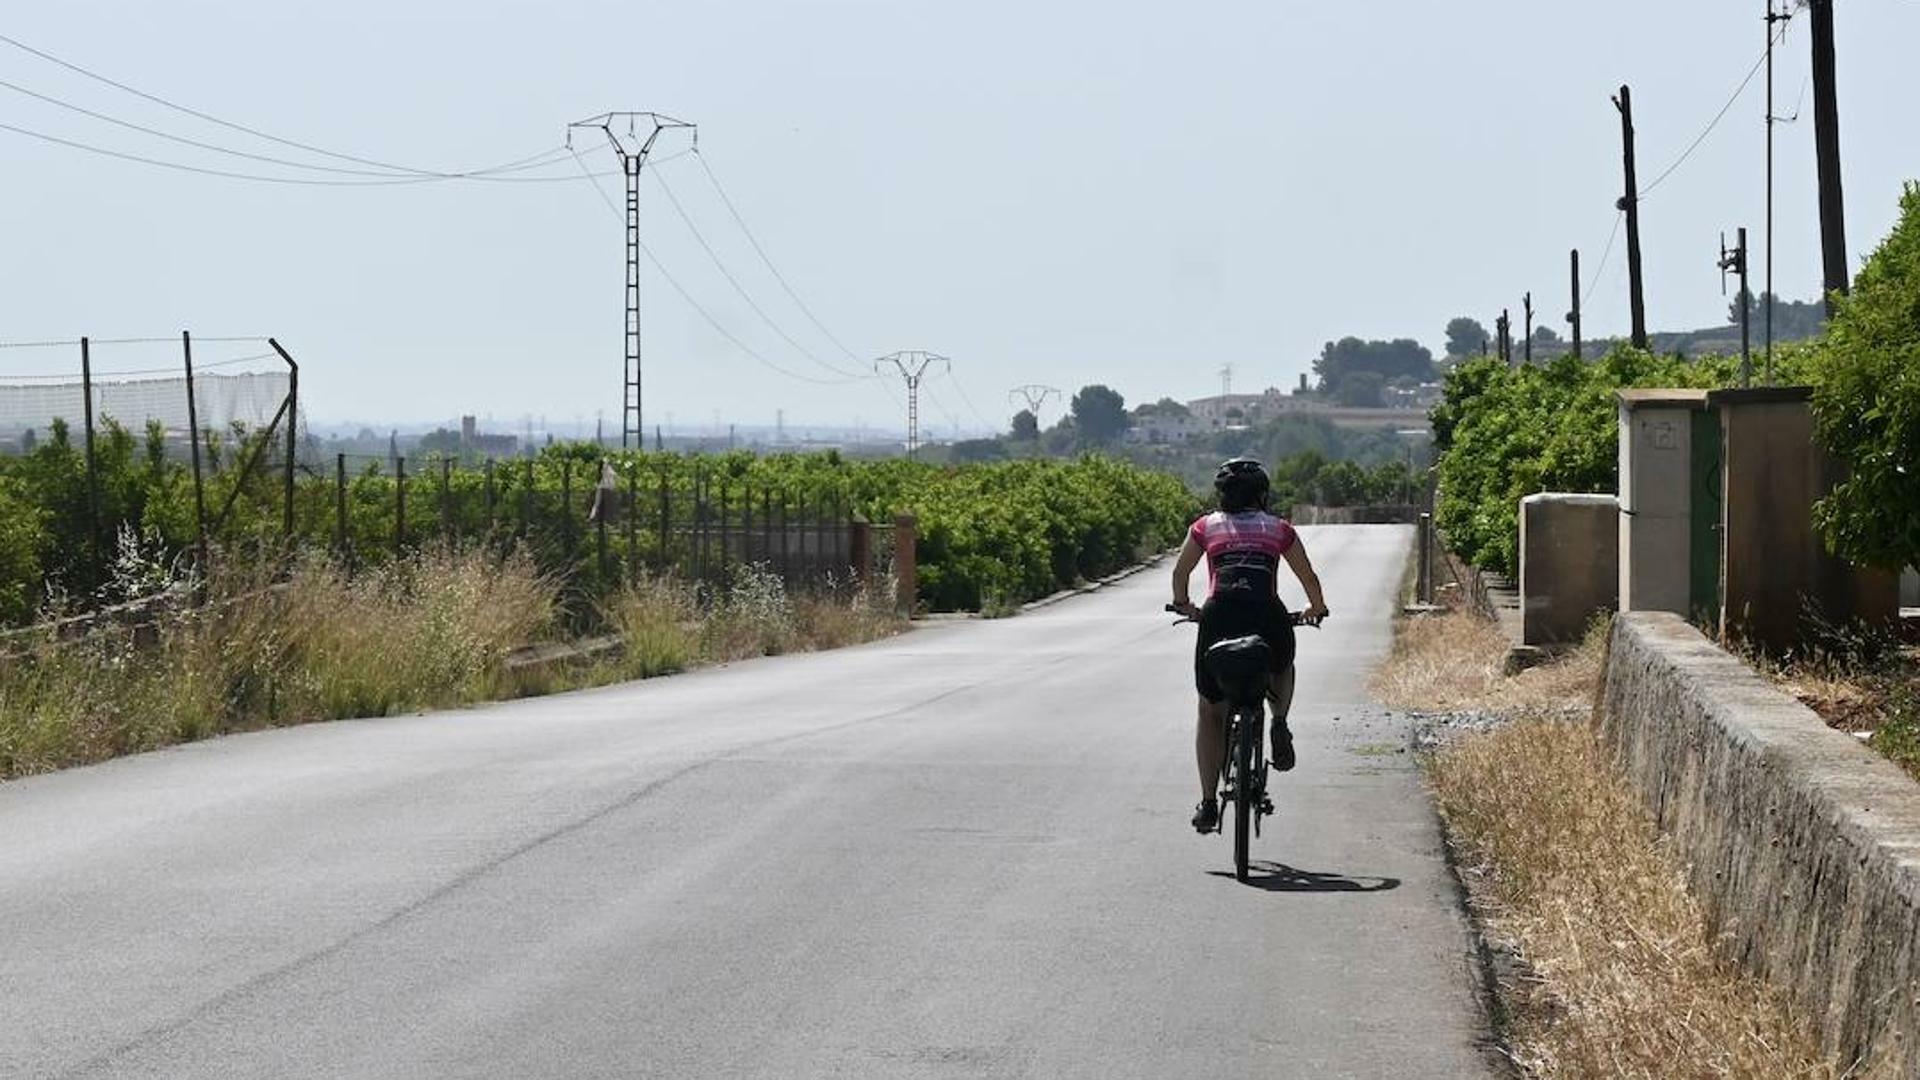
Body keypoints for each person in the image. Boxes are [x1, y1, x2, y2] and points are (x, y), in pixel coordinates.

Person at [1169, 458, 1329, 834]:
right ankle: (1279, 722)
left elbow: (1181, 573)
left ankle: (1209, 803)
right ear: (1263, 494)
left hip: (1219, 616)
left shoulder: (1204, 527)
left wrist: (1184, 605)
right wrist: (1316, 609)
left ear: (1221, 495)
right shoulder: (1279, 529)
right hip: (1265, 615)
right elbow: (1307, 575)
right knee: (1282, 663)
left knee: (1210, 711)